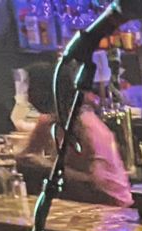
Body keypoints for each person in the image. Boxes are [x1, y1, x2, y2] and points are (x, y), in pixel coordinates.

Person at [18, 62, 132, 208]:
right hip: (78, 202)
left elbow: (98, 183)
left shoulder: (88, 127)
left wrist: (50, 167)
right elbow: (25, 157)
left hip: (111, 207)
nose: (28, 96)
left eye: (32, 88)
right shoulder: (49, 120)